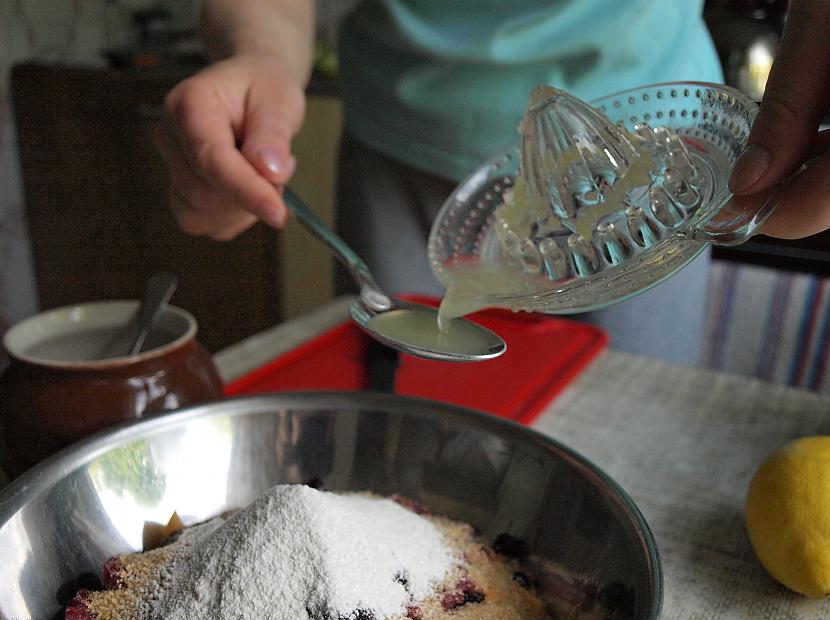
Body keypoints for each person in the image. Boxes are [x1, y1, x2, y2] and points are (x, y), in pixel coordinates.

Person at [154, 0, 829, 366]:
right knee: (409, 422)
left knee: (632, 439)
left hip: (657, 173)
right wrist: (260, 56)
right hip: (400, 146)